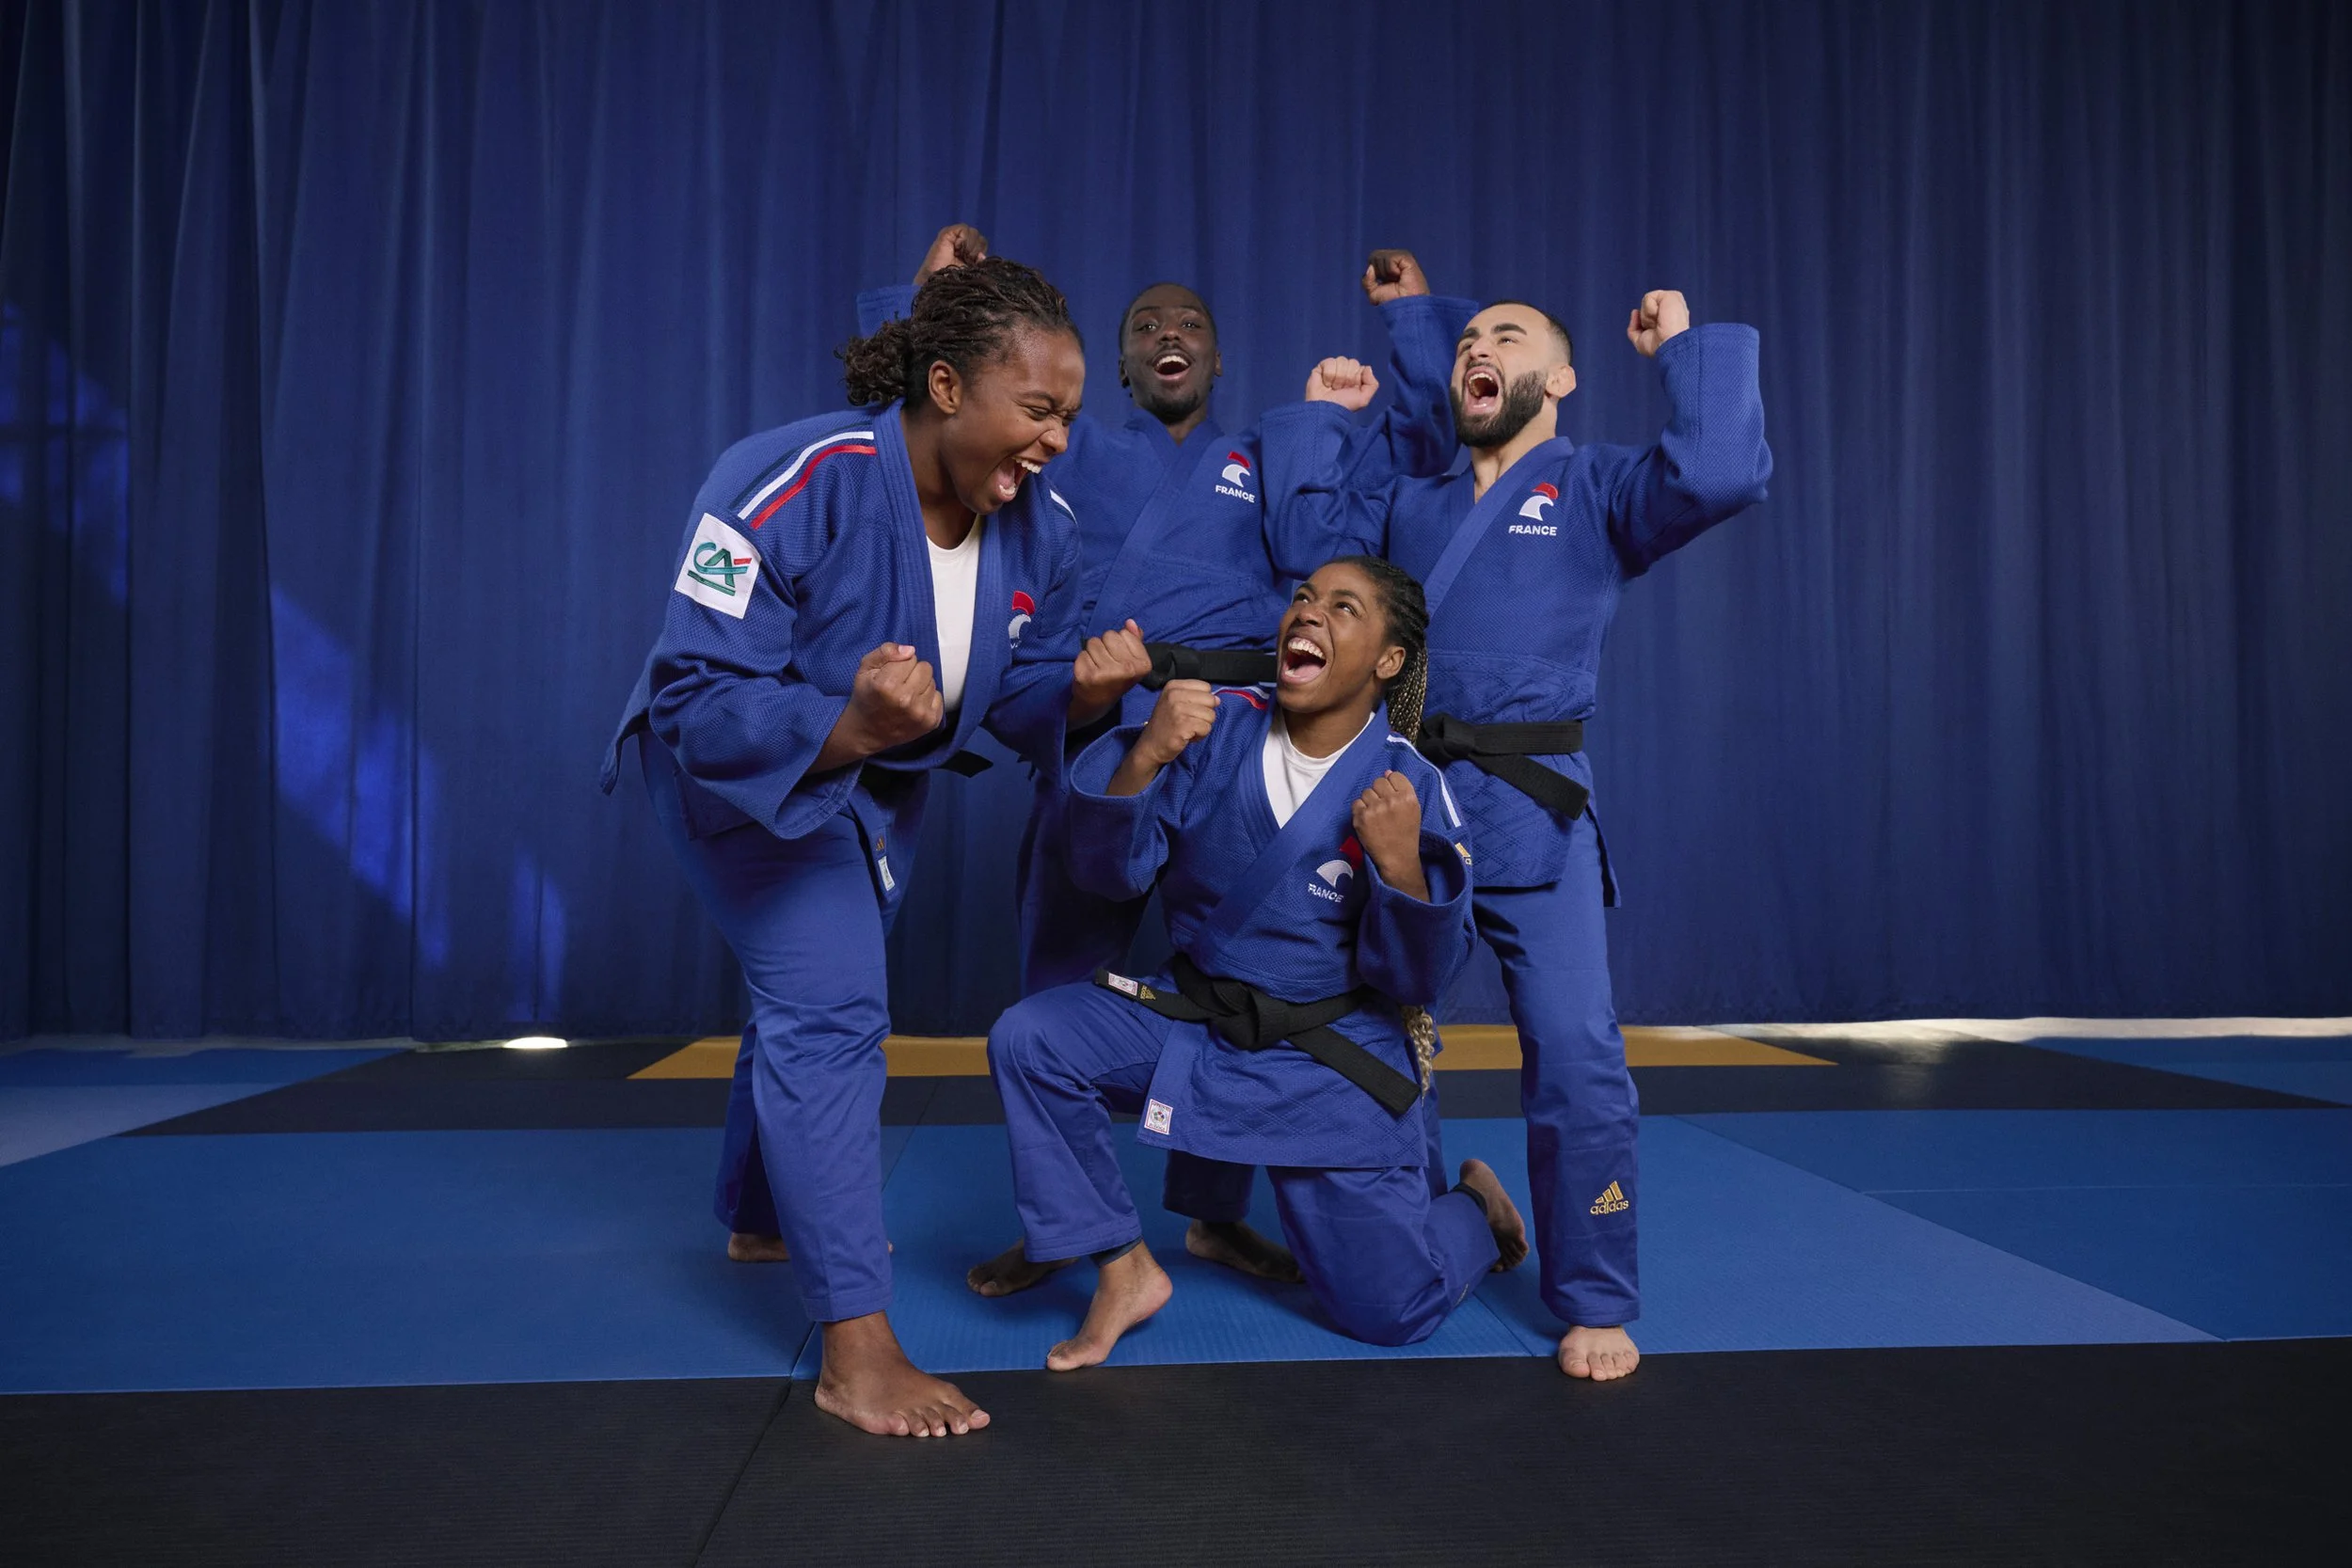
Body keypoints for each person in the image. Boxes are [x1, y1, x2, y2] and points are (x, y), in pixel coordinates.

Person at [861, 227, 1478, 1295]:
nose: (1167, 335)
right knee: (1056, 983)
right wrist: (924, 304)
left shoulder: (1274, 451)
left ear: (1218, 357)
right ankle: (1066, 1226)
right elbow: (922, 425)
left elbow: (1418, 462)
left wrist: (1405, 329)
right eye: (1145, 325)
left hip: (1236, 731)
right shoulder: (1068, 448)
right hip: (1105, 720)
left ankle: (1213, 1217)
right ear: (1116, 363)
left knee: (1238, 961)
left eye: (1188, 322)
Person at [599, 257, 1152, 1437]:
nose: (1057, 441)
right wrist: (843, 723)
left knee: (808, 999)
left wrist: (1084, 698)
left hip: (878, 793)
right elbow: (694, 694)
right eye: (1037, 408)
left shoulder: (1040, 531)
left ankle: (763, 1216)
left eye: (1068, 415)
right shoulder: (784, 479)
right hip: (738, 778)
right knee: (833, 1012)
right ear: (945, 385)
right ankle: (855, 1346)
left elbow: (1012, 702)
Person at [1263, 291, 1772, 1381]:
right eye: (1464, 343)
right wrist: (1323, 420)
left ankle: (1593, 1289)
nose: (1477, 353)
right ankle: (1415, 1231)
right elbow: (1306, 550)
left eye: (1506, 338)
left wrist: (1684, 350)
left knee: (1578, 1055)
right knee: (1380, 1038)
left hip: (1535, 807)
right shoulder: (1412, 501)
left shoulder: (1597, 489)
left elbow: (1721, 472)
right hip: (1404, 803)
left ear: (1561, 378)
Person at [985, 557, 1529, 1368]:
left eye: (1344, 607)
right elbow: (1107, 876)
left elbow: (1418, 981)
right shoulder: (1218, 728)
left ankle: (1474, 1208)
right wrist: (1145, 757)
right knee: (1030, 1038)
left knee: (1391, 1310)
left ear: (1389, 660)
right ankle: (1122, 1263)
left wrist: (1400, 870)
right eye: (1304, 598)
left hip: (1327, 1062)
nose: (1308, 613)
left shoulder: (1408, 787)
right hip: (1198, 1021)